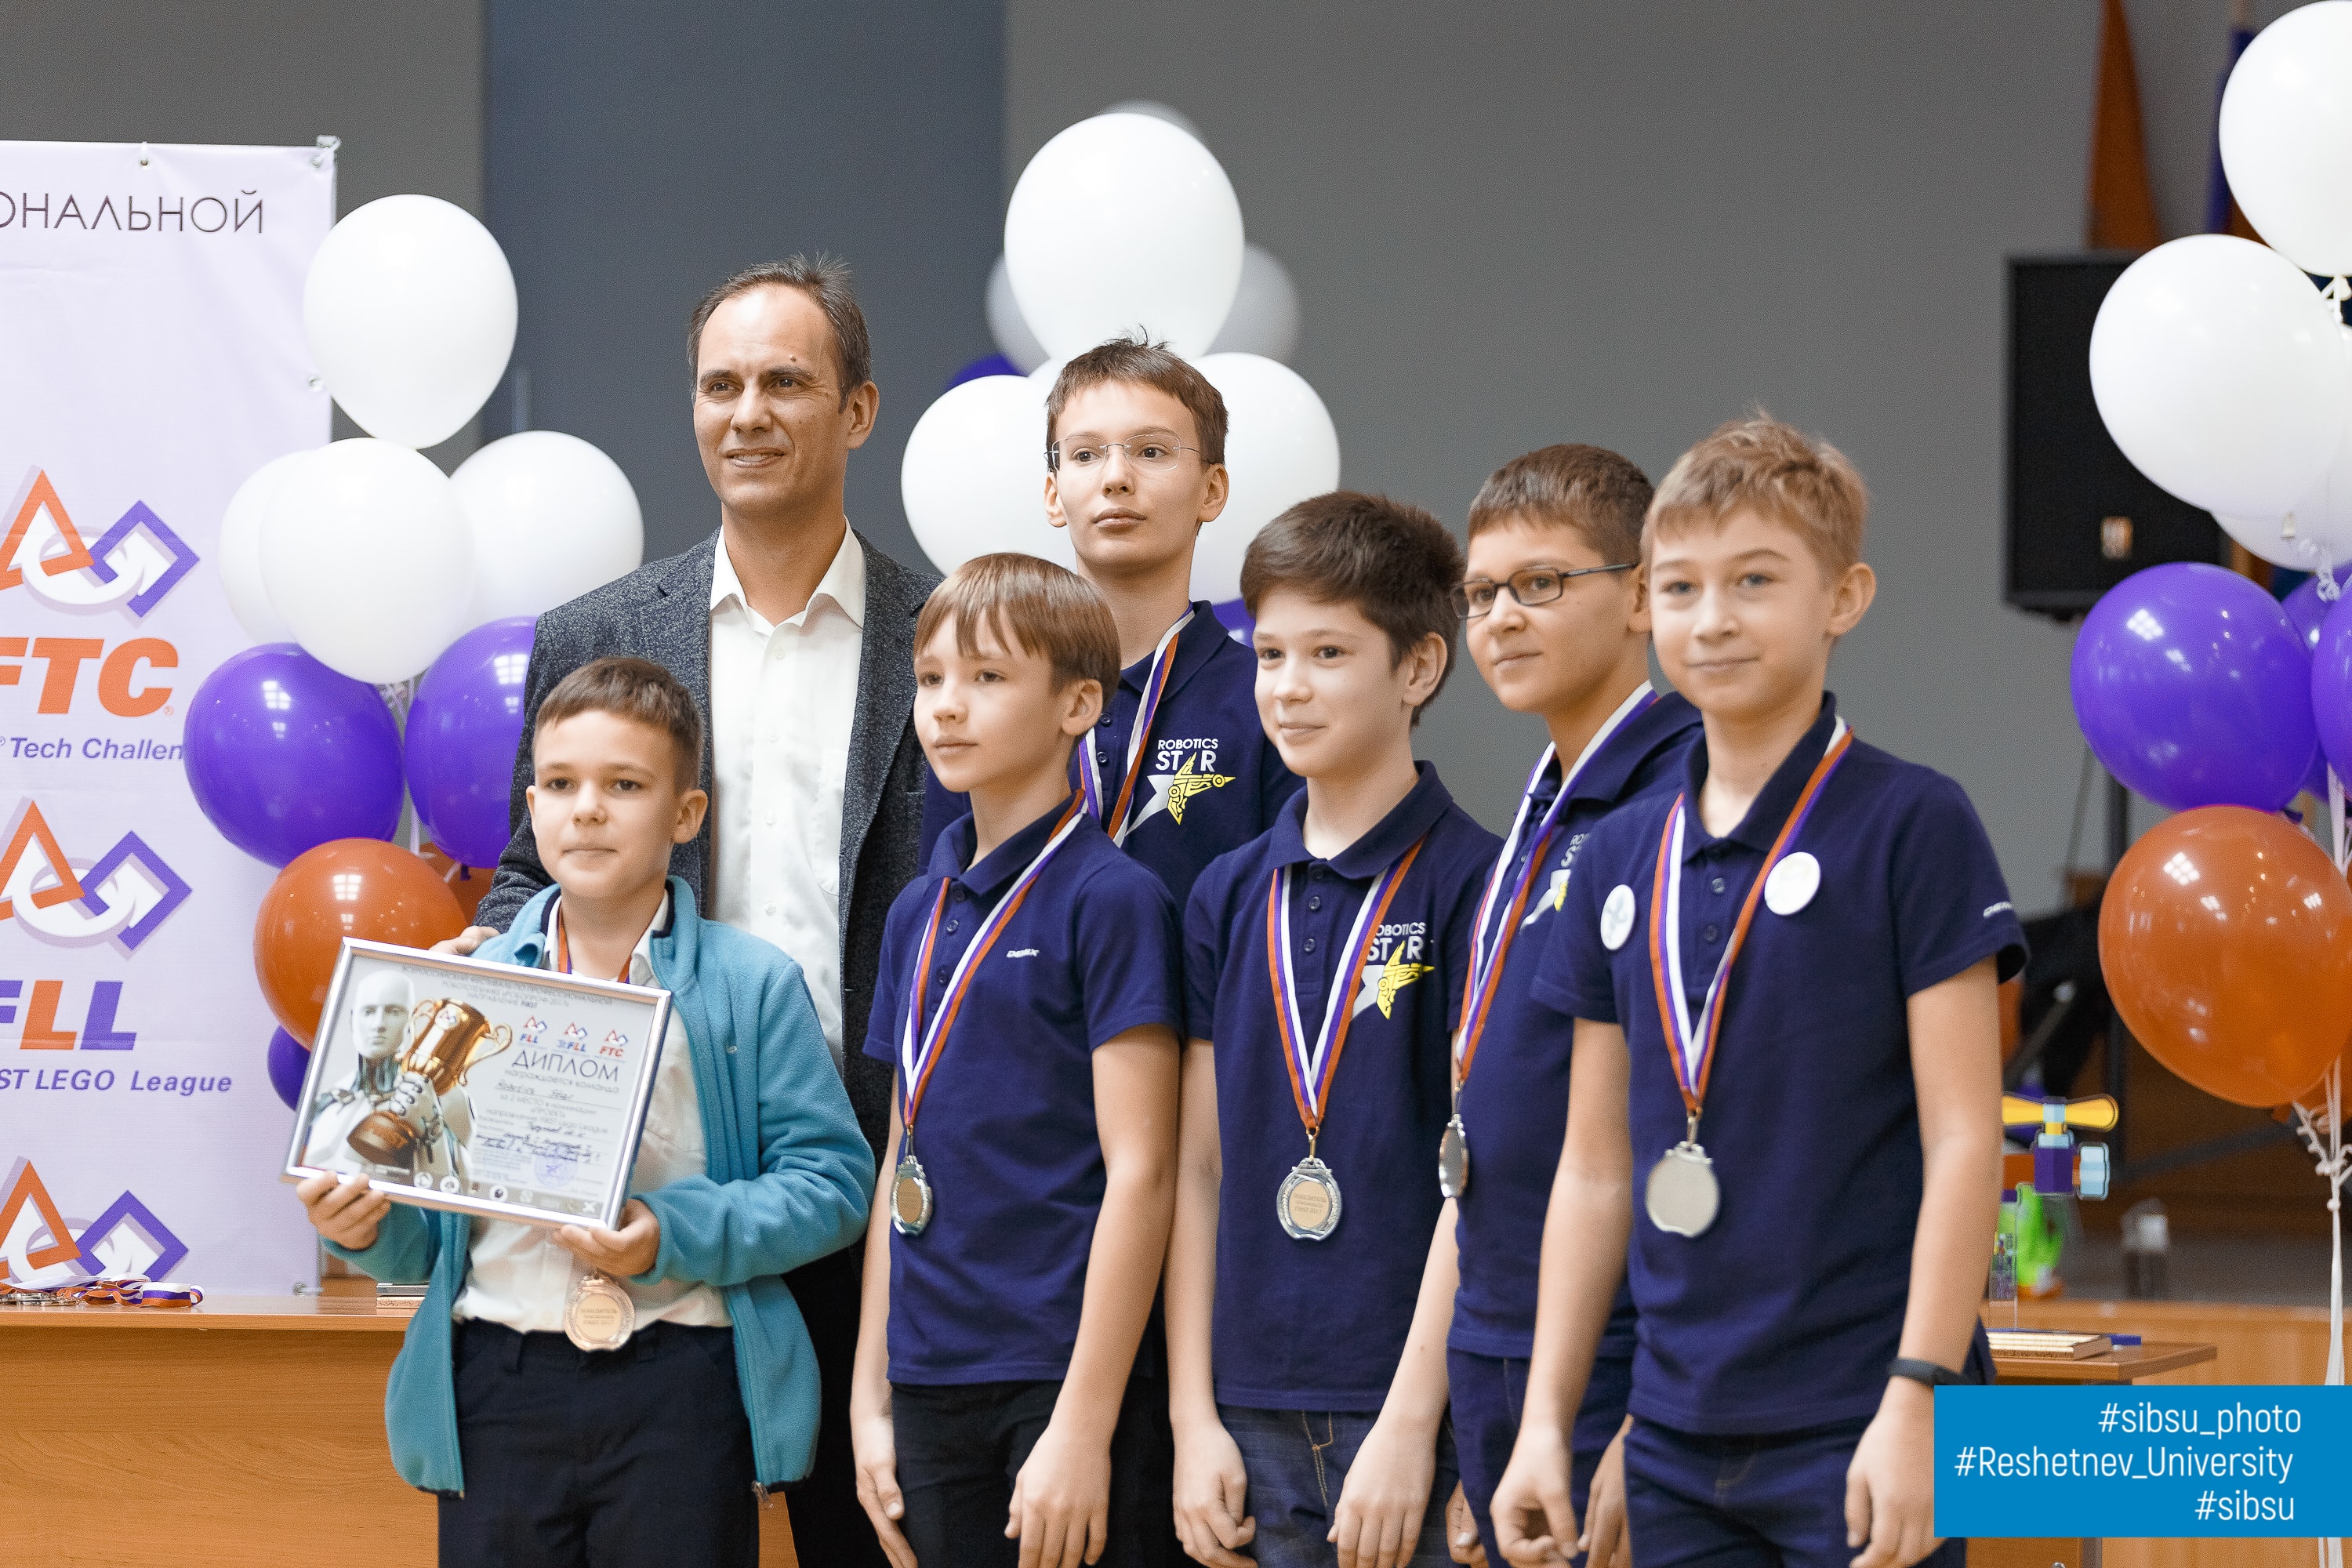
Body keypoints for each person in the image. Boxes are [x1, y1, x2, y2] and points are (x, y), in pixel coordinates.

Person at [450, 256, 934, 1565]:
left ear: (858, 409)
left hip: (867, 1181)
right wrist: (479, 970)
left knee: (874, 1541)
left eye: (786, 382)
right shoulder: (601, 629)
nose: (748, 412)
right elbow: (530, 871)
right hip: (643, 1196)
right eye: (721, 386)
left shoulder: (941, 639)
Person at [1486, 417, 2021, 1568]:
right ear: (1647, 604)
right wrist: (1546, 1422)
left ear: (1845, 597)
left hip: (1863, 1411)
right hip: (1675, 1432)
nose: (1714, 618)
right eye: (1681, 586)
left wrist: (1919, 1395)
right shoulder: (1620, 852)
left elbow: (1967, 1139)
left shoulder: (1913, 823)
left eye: (1756, 581)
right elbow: (1594, 1168)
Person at [296, 656, 873, 1568]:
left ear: (686, 813)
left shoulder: (752, 985)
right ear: (532, 807)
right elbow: (426, 1243)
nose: (588, 809)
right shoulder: (464, 986)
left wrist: (669, 1232)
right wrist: (362, 1226)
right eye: (561, 784)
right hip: (496, 1376)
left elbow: (834, 1183)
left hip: (682, 1376)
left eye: (625, 784)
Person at [1170, 493, 1502, 1568]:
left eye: (1327, 652)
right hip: (1246, 1411)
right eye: (1269, 654)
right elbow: (1196, 1166)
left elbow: (1480, 1177)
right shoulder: (1225, 893)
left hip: (1417, 1412)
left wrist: (1412, 1423)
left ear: (1419, 668)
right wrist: (1191, 1416)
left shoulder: (1478, 884)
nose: (1288, 686)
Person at [848, 554, 1183, 1568]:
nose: (948, 705)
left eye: (988, 677)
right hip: (926, 1372)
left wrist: (1083, 1423)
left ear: (1078, 703)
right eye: (932, 678)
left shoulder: (1113, 899)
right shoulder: (918, 911)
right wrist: (871, 1395)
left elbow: (1144, 1171)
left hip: (1059, 1373)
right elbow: (899, 1161)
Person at [1435, 447, 1701, 1568]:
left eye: (1540, 584)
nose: (1501, 617)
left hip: (1634, 1342)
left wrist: (1662, 1403)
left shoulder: (1685, 793)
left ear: (1639, 595)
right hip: (1506, 1330)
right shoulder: (1548, 801)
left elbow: (1703, 1111)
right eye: (1481, 593)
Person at [303, 969, 472, 1187]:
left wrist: (432, 1130)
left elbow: (462, 1193)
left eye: (393, 1011)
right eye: (368, 1011)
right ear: (353, 1020)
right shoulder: (330, 1098)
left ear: (412, 1020)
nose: (378, 1024)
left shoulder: (445, 1099)